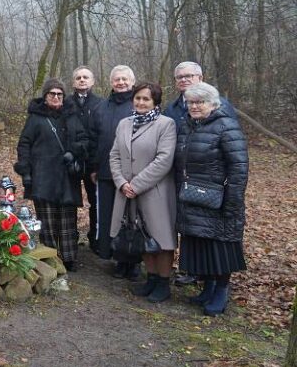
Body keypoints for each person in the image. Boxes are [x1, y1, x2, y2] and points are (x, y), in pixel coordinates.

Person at [174, 82, 248, 316]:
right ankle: (209, 287)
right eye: (191, 102)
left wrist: (232, 203)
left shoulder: (227, 126)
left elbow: (239, 168)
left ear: (213, 104)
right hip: (194, 197)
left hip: (220, 200)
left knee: (220, 247)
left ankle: (221, 291)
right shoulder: (187, 125)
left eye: (200, 102)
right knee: (202, 245)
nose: (194, 106)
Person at [163, 61, 237, 286]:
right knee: (189, 228)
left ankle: (214, 280)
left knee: (210, 232)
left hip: (211, 182)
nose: (184, 80)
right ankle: (192, 270)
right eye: (180, 77)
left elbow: (233, 154)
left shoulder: (221, 107)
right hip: (183, 177)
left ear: (200, 77)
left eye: (189, 75)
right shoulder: (173, 109)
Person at [109, 82, 177, 302]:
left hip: (154, 192)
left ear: (155, 102)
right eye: (137, 98)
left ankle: (163, 283)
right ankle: (151, 279)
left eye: (146, 99)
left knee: (161, 239)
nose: (140, 102)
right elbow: (114, 155)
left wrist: (136, 185)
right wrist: (121, 183)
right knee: (142, 236)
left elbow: (164, 160)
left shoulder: (166, 124)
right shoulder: (124, 124)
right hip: (127, 192)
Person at [15, 78, 88, 271]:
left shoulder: (72, 116)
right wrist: (26, 171)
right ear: (45, 96)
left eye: (59, 94)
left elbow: (84, 139)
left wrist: (73, 152)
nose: (56, 97)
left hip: (66, 177)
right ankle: (49, 258)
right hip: (43, 176)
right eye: (52, 94)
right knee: (46, 220)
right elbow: (24, 145)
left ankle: (68, 258)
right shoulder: (35, 118)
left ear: (64, 97)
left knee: (67, 219)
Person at [90, 65, 138, 279]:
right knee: (111, 217)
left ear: (132, 81)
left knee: (133, 217)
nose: (121, 82)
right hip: (106, 172)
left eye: (124, 79)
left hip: (133, 174)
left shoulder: (140, 104)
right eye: (117, 79)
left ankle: (135, 260)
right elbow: (93, 139)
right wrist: (93, 166)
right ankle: (118, 257)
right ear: (111, 83)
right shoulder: (101, 107)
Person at [65, 66, 103, 254]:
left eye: (85, 77)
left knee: (95, 200)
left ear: (92, 81)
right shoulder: (65, 103)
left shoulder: (101, 104)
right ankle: (70, 237)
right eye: (78, 77)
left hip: (92, 161)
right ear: (73, 82)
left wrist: (97, 163)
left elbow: (102, 135)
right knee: (70, 199)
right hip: (71, 161)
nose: (82, 80)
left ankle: (95, 238)